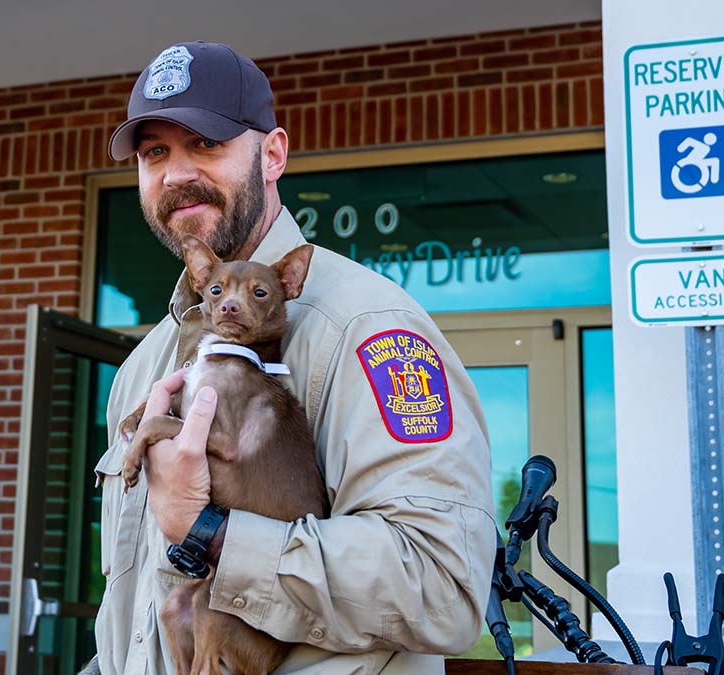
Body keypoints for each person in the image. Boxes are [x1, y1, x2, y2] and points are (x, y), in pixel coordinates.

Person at [89, 41, 495, 675]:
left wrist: (209, 533)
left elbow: (444, 584)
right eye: (154, 153)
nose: (176, 174)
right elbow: (132, 619)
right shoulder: (146, 364)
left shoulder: (366, 328)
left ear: (273, 154)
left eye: (206, 144)